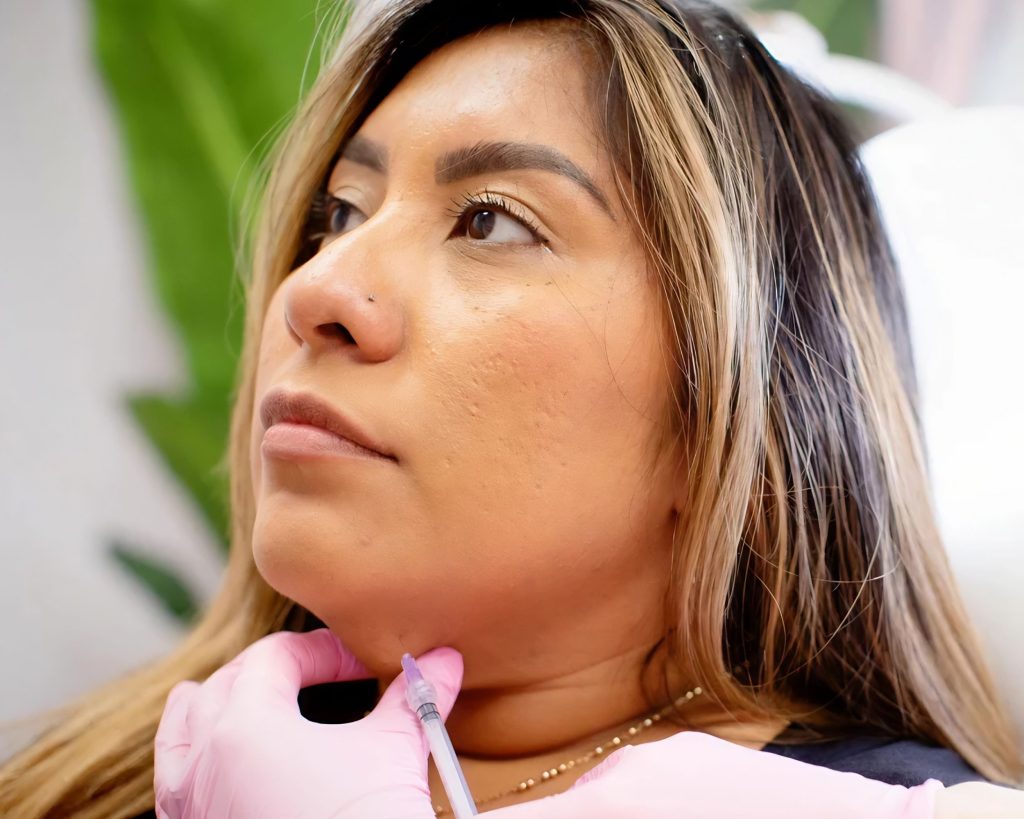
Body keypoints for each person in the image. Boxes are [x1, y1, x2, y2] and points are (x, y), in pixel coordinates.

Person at [1, 0, 1022, 816]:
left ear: (739, 401)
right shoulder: (93, 777)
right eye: (335, 214)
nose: (316, 292)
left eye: (491, 222)